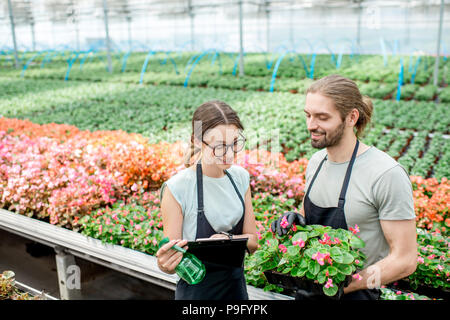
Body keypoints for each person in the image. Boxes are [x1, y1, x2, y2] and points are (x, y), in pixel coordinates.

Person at [271, 74, 417, 300]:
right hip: (308, 292)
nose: (311, 125)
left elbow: (405, 261)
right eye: (308, 115)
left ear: (351, 117)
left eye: (322, 117)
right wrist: (295, 220)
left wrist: (345, 286)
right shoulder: (317, 162)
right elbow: (309, 217)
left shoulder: (385, 174)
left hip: (356, 295)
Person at [156, 100, 258, 300]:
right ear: (196, 140)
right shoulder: (177, 188)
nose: (229, 154)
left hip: (237, 292)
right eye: (219, 146)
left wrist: (226, 241)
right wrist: (164, 263)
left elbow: (253, 242)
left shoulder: (241, 178)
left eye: (235, 143)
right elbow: (173, 257)